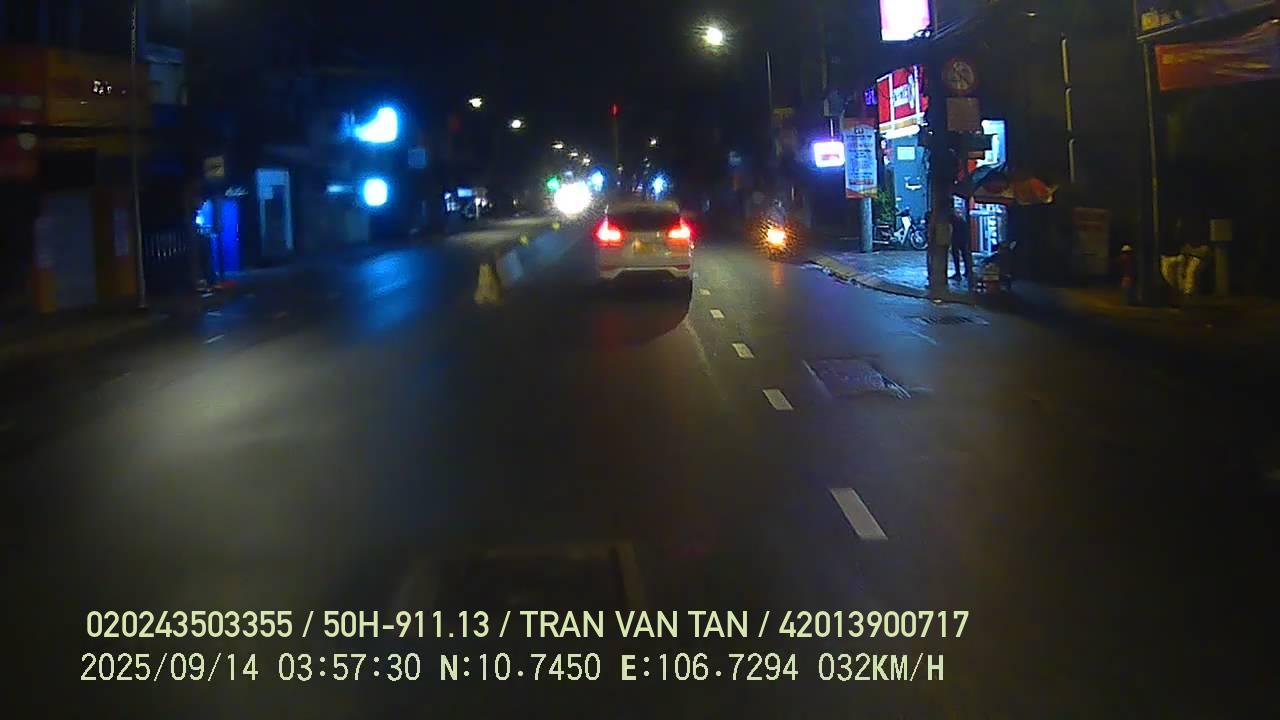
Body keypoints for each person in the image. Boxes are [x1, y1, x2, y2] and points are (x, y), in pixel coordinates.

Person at [950, 206, 973, 281]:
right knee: (964, 255)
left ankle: (958, 273)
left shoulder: (953, 220)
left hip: (957, 239)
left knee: (957, 255)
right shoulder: (960, 220)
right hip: (963, 238)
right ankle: (967, 271)